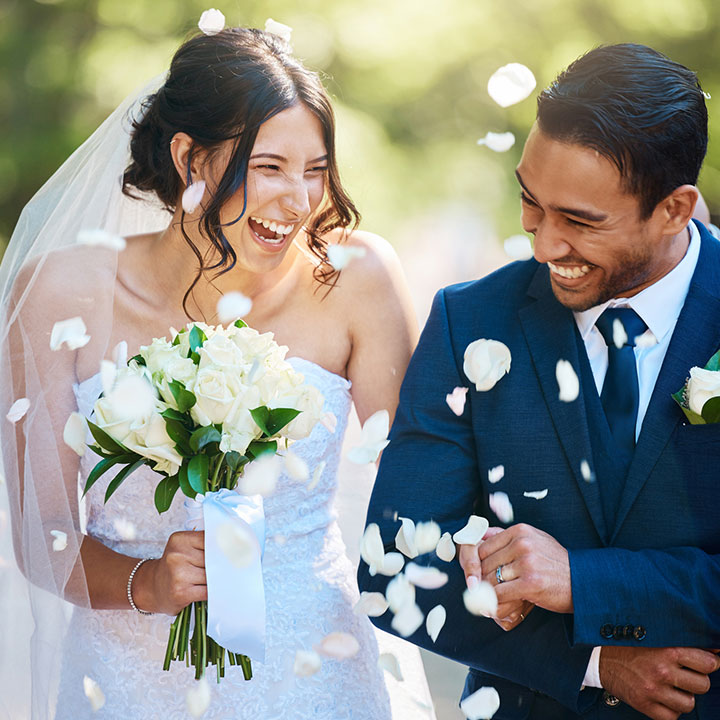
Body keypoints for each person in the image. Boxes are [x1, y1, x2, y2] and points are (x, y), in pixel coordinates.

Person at [0, 25, 434, 719]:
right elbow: (39, 532)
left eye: (315, 171)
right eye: (269, 167)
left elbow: (426, 484)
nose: (298, 201)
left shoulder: (356, 280)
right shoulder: (59, 293)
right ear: (189, 157)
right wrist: (146, 583)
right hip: (122, 683)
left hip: (312, 678)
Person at [359, 43, 720, 720]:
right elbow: (391, 570)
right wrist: (592, 660)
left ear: (675, 209)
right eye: (531, 201)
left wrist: (585, 582)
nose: (544, 243)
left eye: (581, 221)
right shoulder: (468, 319)